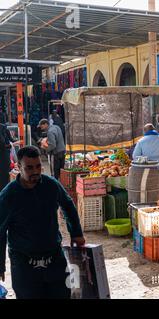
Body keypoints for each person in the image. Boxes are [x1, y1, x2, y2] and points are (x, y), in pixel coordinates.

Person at [0, 145, 85, 299]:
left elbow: (68, 205)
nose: (35, 171)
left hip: (54, 259)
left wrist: (76, 233)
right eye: (29, 168)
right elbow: (0, 231)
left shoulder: (51, 185)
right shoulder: (8, 195)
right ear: (19, 167)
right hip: (24, 264)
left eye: (38, 166)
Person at [133, 124, 159, 197]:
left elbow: (135, 157)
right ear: (154, 129)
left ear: (145, 131)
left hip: (149, 174)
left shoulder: (141, 141)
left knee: (152, 196)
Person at [0, 123, 14, 191]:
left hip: (3, 158)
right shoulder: (3, 127)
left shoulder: (2, 127)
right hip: (4, 158)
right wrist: (9, 146)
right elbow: (5, 142)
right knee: (5, 179)